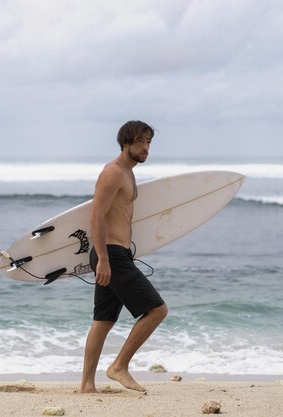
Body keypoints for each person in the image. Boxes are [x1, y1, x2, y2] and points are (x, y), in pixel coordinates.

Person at [80, 120, 168, 394]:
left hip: (119, 254)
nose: (146, 148)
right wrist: (104, 259)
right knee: (157, 311)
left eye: (149, 142)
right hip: (111, 255)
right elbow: (96, 216)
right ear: (126, 143)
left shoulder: (129, 174)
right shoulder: (114, 173)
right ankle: (119, 366)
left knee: (103, 321)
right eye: (141, 142)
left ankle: (86, 385)